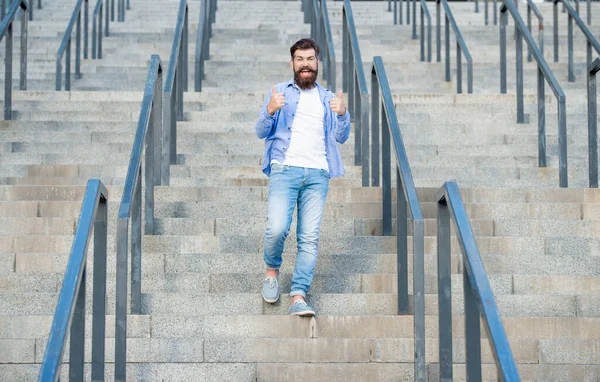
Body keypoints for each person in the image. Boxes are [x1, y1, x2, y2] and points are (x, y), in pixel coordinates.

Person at [254, 38, 351, 317]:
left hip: (318, 173)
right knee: (277, 228)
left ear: (317, 63)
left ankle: (299, 295)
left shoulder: (328, 98)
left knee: (309, 237)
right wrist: (270, 109)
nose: (305, 64)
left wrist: (343, 114)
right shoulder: (278, 92)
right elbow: (261, 130)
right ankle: (272, 272)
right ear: (292, 63)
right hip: (285, 169)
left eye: (310, 59)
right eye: (300, 59)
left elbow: (341, 137)